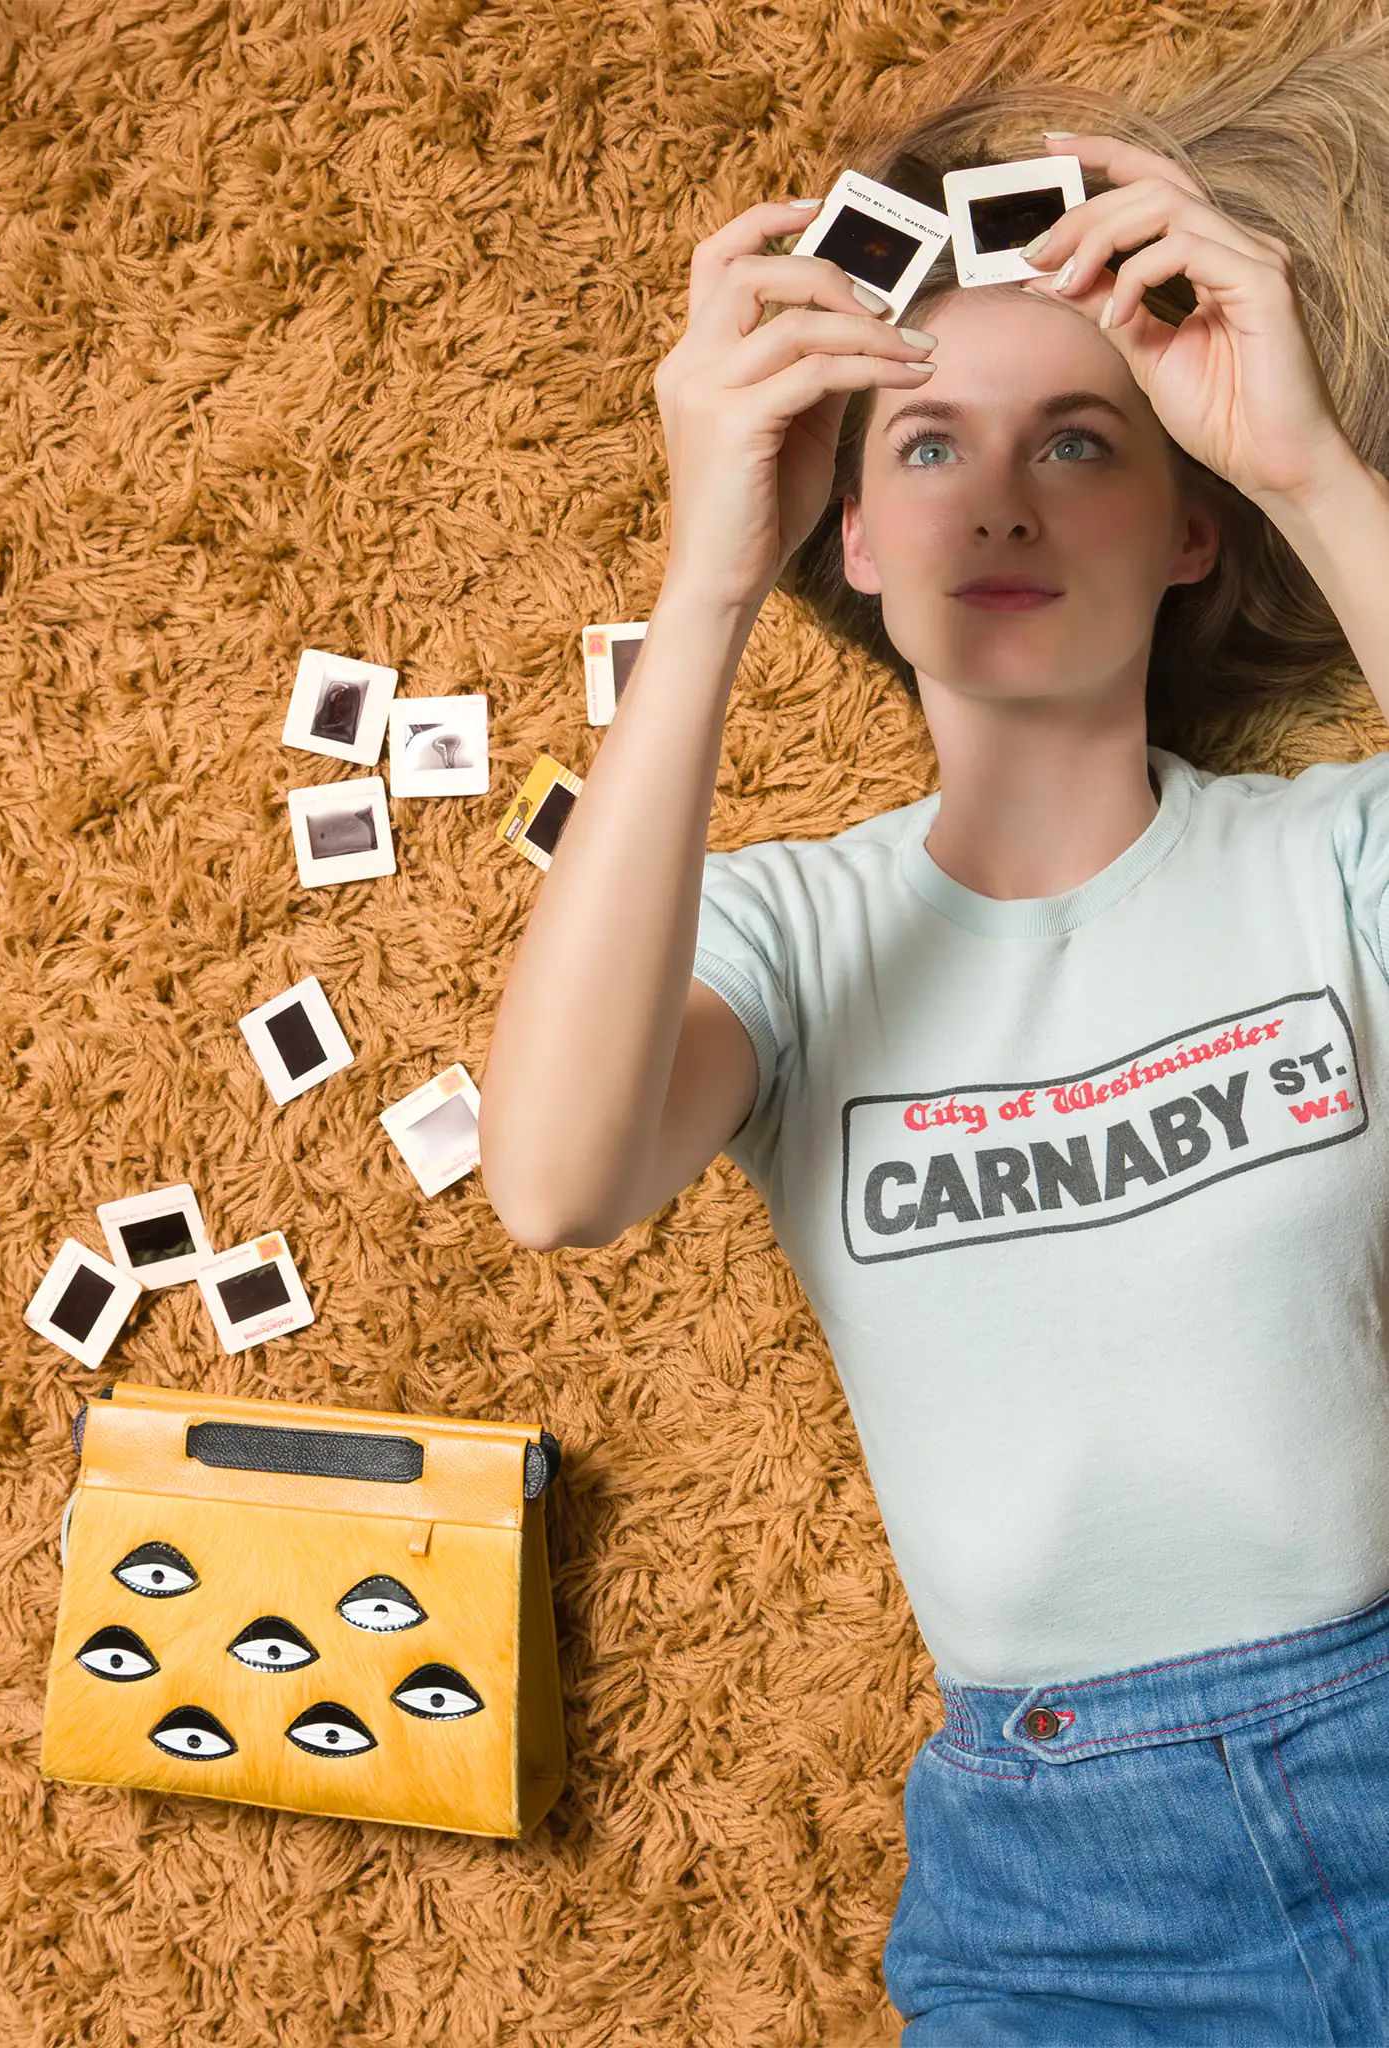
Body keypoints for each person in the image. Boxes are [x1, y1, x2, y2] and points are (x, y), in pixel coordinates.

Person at [478, 2, 1389, 2038]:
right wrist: (708, 560)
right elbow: (548, 1181)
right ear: (853, 541)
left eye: (1079, 440)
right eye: (924, 446)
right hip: (1068, 1896)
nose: (997, 501)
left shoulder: (1329, 860)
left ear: (1187, 526)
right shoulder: (783, 933)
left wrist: (1309, 459)